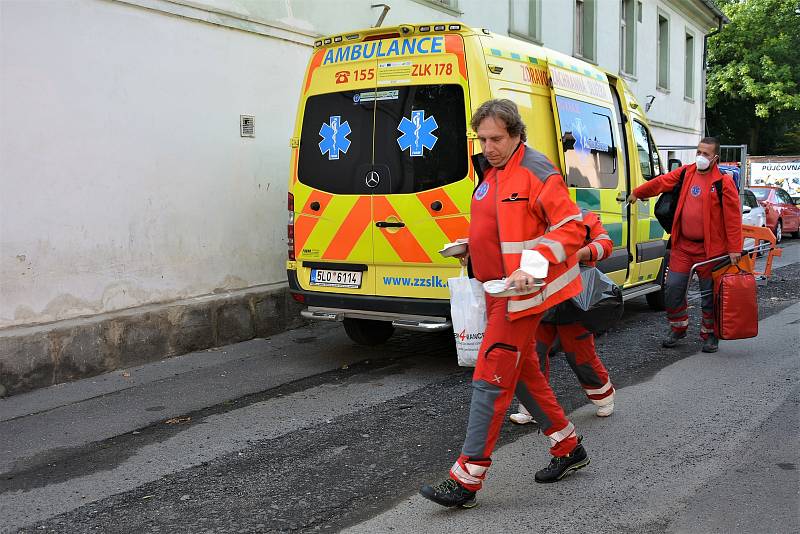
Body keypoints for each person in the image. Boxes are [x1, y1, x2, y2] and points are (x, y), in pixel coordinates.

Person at [419, 99, 590, 509]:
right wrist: (469, 248)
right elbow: (496, 227)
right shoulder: (494, 171)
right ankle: (568, 446)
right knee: (524, 375)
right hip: (498, 292)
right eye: (482, 138)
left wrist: (532, 263)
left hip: (520, 296)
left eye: (496, 138)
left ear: (516, 134)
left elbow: (571, 228)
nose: (488, 146)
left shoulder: (537, 170)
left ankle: (467, 477)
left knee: (490, 376)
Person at [627, 137, 742, 353]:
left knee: (710, 295)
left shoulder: (723, 182)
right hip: (683, 246)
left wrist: (735, 249)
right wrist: (638, 193)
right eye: (699, 152)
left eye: (706, 154)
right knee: (672, 288)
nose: (701, 157)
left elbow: (733, 218)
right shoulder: (685, 173)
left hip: (711, 251)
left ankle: (710, 335)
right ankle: (678, 327)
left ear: (715, 158)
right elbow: (660, 182)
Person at [510, 210, 616, 425]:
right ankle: (531, 407)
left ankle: (603, 396)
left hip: (575, 298)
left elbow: (605, 245)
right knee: (532, 353)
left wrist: (579, 254)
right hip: (542, 295)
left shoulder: (583, 217)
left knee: (580, 354)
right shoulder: (533, 219)